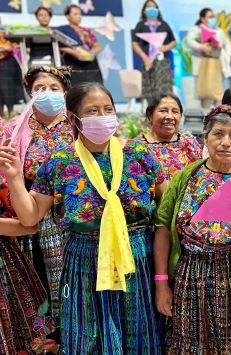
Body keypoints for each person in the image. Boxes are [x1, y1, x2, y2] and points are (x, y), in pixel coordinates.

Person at [0, 82, 165, 353]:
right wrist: (15, 178)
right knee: (88, 336)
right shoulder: (60, 161)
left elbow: (166, 213)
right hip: (84, 259)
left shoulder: (139, 155)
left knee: (139, 333)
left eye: (108, 109)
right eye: (92, 111)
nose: (102, 116)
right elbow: (30, 217)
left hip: (136, 258)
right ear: (73, 117)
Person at [154, 105, 231, 354]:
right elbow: (163, 227)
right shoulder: (186, 177)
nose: (226, 142)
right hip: (191, 277)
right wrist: (162, 283)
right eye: (218, 134)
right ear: (205, 138)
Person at [1, 66, 74, 334]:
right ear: (30, 94)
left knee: (69, 284)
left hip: (70, 217)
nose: (47, 93)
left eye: (54, 88)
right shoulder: (14, 129)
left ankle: (68, 336)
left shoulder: (78, 126)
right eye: (40, 89)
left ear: (65, 92)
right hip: (29, 215)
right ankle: (44, 339)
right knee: (36, 282)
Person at [127, 93, 202, 179]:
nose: (170, 116)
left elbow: (202, 177)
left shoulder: (190, 144)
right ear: (150, 115)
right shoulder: (136, 147)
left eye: (175, 112)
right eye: (163, 111)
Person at [185, 8, 231, 108]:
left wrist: (227, 56)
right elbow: (189, 41)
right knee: (204, 94)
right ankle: (206, 117)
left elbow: (227, 44)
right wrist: (201, 46)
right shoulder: (196, 29)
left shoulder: (219, 31)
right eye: (210, 17)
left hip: (217, 64)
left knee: (219, 93)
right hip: (202, 65)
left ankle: (218, 117)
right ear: (202, 19)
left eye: (213, 17)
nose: (213, 19)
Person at [132, 1, 177, 103]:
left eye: (154, 7)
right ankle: (151, 115)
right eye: (149, 7)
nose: (152, 9)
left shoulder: (164, 25)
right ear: (144, 10)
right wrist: (145, 58)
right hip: (148, 62)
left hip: (162, 62)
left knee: (165, 92)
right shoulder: (140, 25)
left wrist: (165, 47)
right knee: (150, 92)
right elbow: (134, 44)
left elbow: (174, 42)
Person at [57, 4, 102, 85]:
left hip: (91, 67)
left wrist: (93, 53)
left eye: (80, 14)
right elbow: (61, 47)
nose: (79, 16)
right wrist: (75, 53)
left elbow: (97, 46)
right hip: (73, 65)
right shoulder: (62, 30)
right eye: (75, 14)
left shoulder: (86, 31)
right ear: (67, 16)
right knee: (75, 92)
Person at [0, 31, 24, 117]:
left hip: (7, 63)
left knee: (8, 89)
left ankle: (11, 114)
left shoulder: (7, 33)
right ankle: (1, 115)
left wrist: (5, 47)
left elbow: (12, 47)